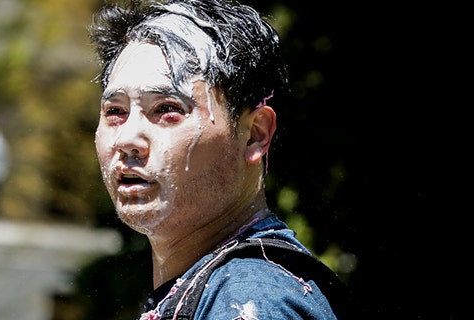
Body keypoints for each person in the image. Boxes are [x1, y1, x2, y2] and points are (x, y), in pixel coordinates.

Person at [88, 0, 351, 319]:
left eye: (167, 109)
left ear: (255, 134)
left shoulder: (249, 301)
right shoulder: (218, 289)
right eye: (115, 112)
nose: (128, 139)